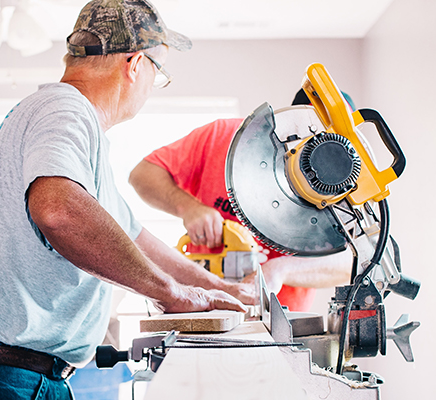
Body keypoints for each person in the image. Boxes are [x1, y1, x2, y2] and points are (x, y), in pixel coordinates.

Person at [0, 1, 256, 399]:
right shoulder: (66, 109)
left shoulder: (67, 123)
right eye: (158, 73)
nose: (153, 85)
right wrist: (170, 293)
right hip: (1, 373)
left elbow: (135, 237)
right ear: (134, 64)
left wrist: (216, 288)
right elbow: (59, 211)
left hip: (5, 369)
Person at [128, 91, 358, 312]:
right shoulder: (223, 136)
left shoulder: (343, 183)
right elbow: (142, 175)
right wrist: (188, 207)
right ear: (289, 118)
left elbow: (352, 261)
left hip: (281, 319)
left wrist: (281, 269)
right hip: (201, 304)